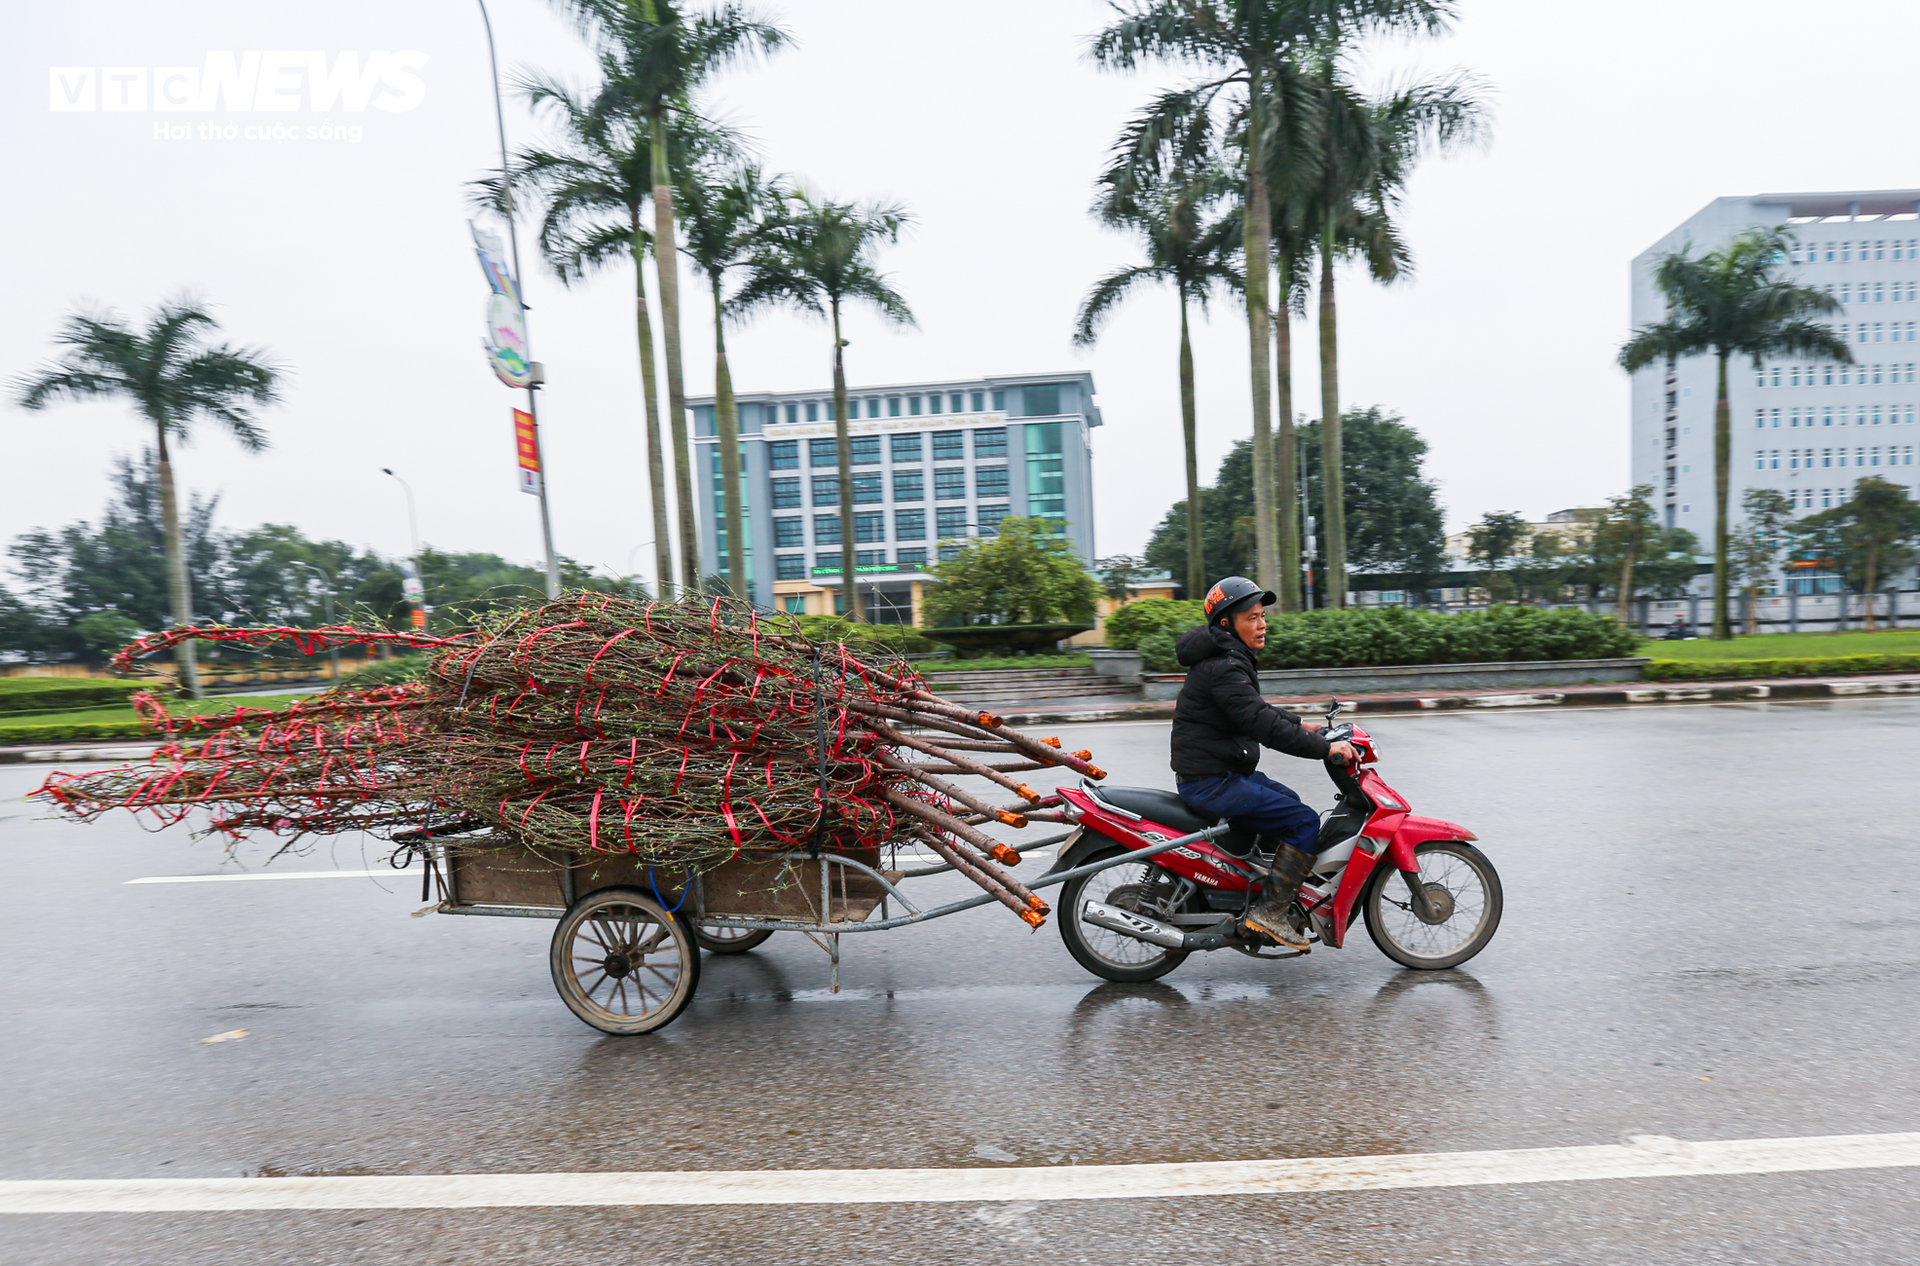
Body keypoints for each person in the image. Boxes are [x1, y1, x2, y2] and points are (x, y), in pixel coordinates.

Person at [1170, 576, 1356, 951]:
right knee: (1302, 820)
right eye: (1252, 618)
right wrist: (1324, 748)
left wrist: (1301, 724)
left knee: (1288, 800)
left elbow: (1254, 710)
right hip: (1211, 782)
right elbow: (1260, 723)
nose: (1262, 624)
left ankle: (1260, 888)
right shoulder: (1223, 665)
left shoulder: (1225, 658)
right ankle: (1269, 914)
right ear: (1227, 624)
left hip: (1221, 773)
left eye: (1263, 616)